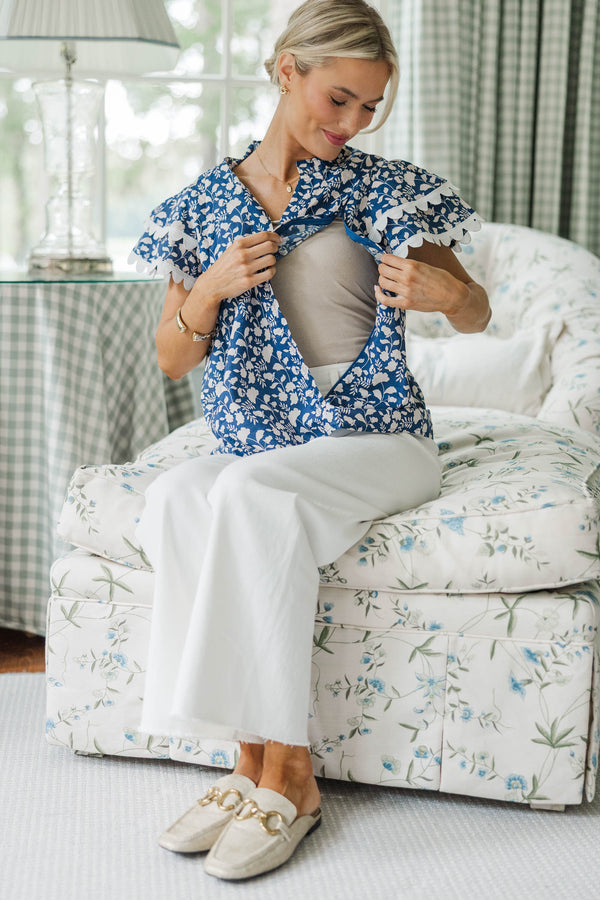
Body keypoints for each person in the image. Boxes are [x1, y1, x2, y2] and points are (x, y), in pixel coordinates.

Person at [129, 0, 490, 881]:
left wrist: (449, 300)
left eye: (369, 107)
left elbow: (475, 309)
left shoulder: (386, 188)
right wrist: (210, 287)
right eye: (339, 99)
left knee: (249, 498)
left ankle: (292, 778)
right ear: (286, 70)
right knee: (177, 492)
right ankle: (243, 765)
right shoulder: (204, 208)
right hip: (268, 434)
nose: (352, 124)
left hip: (377, 435)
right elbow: (174, 357)